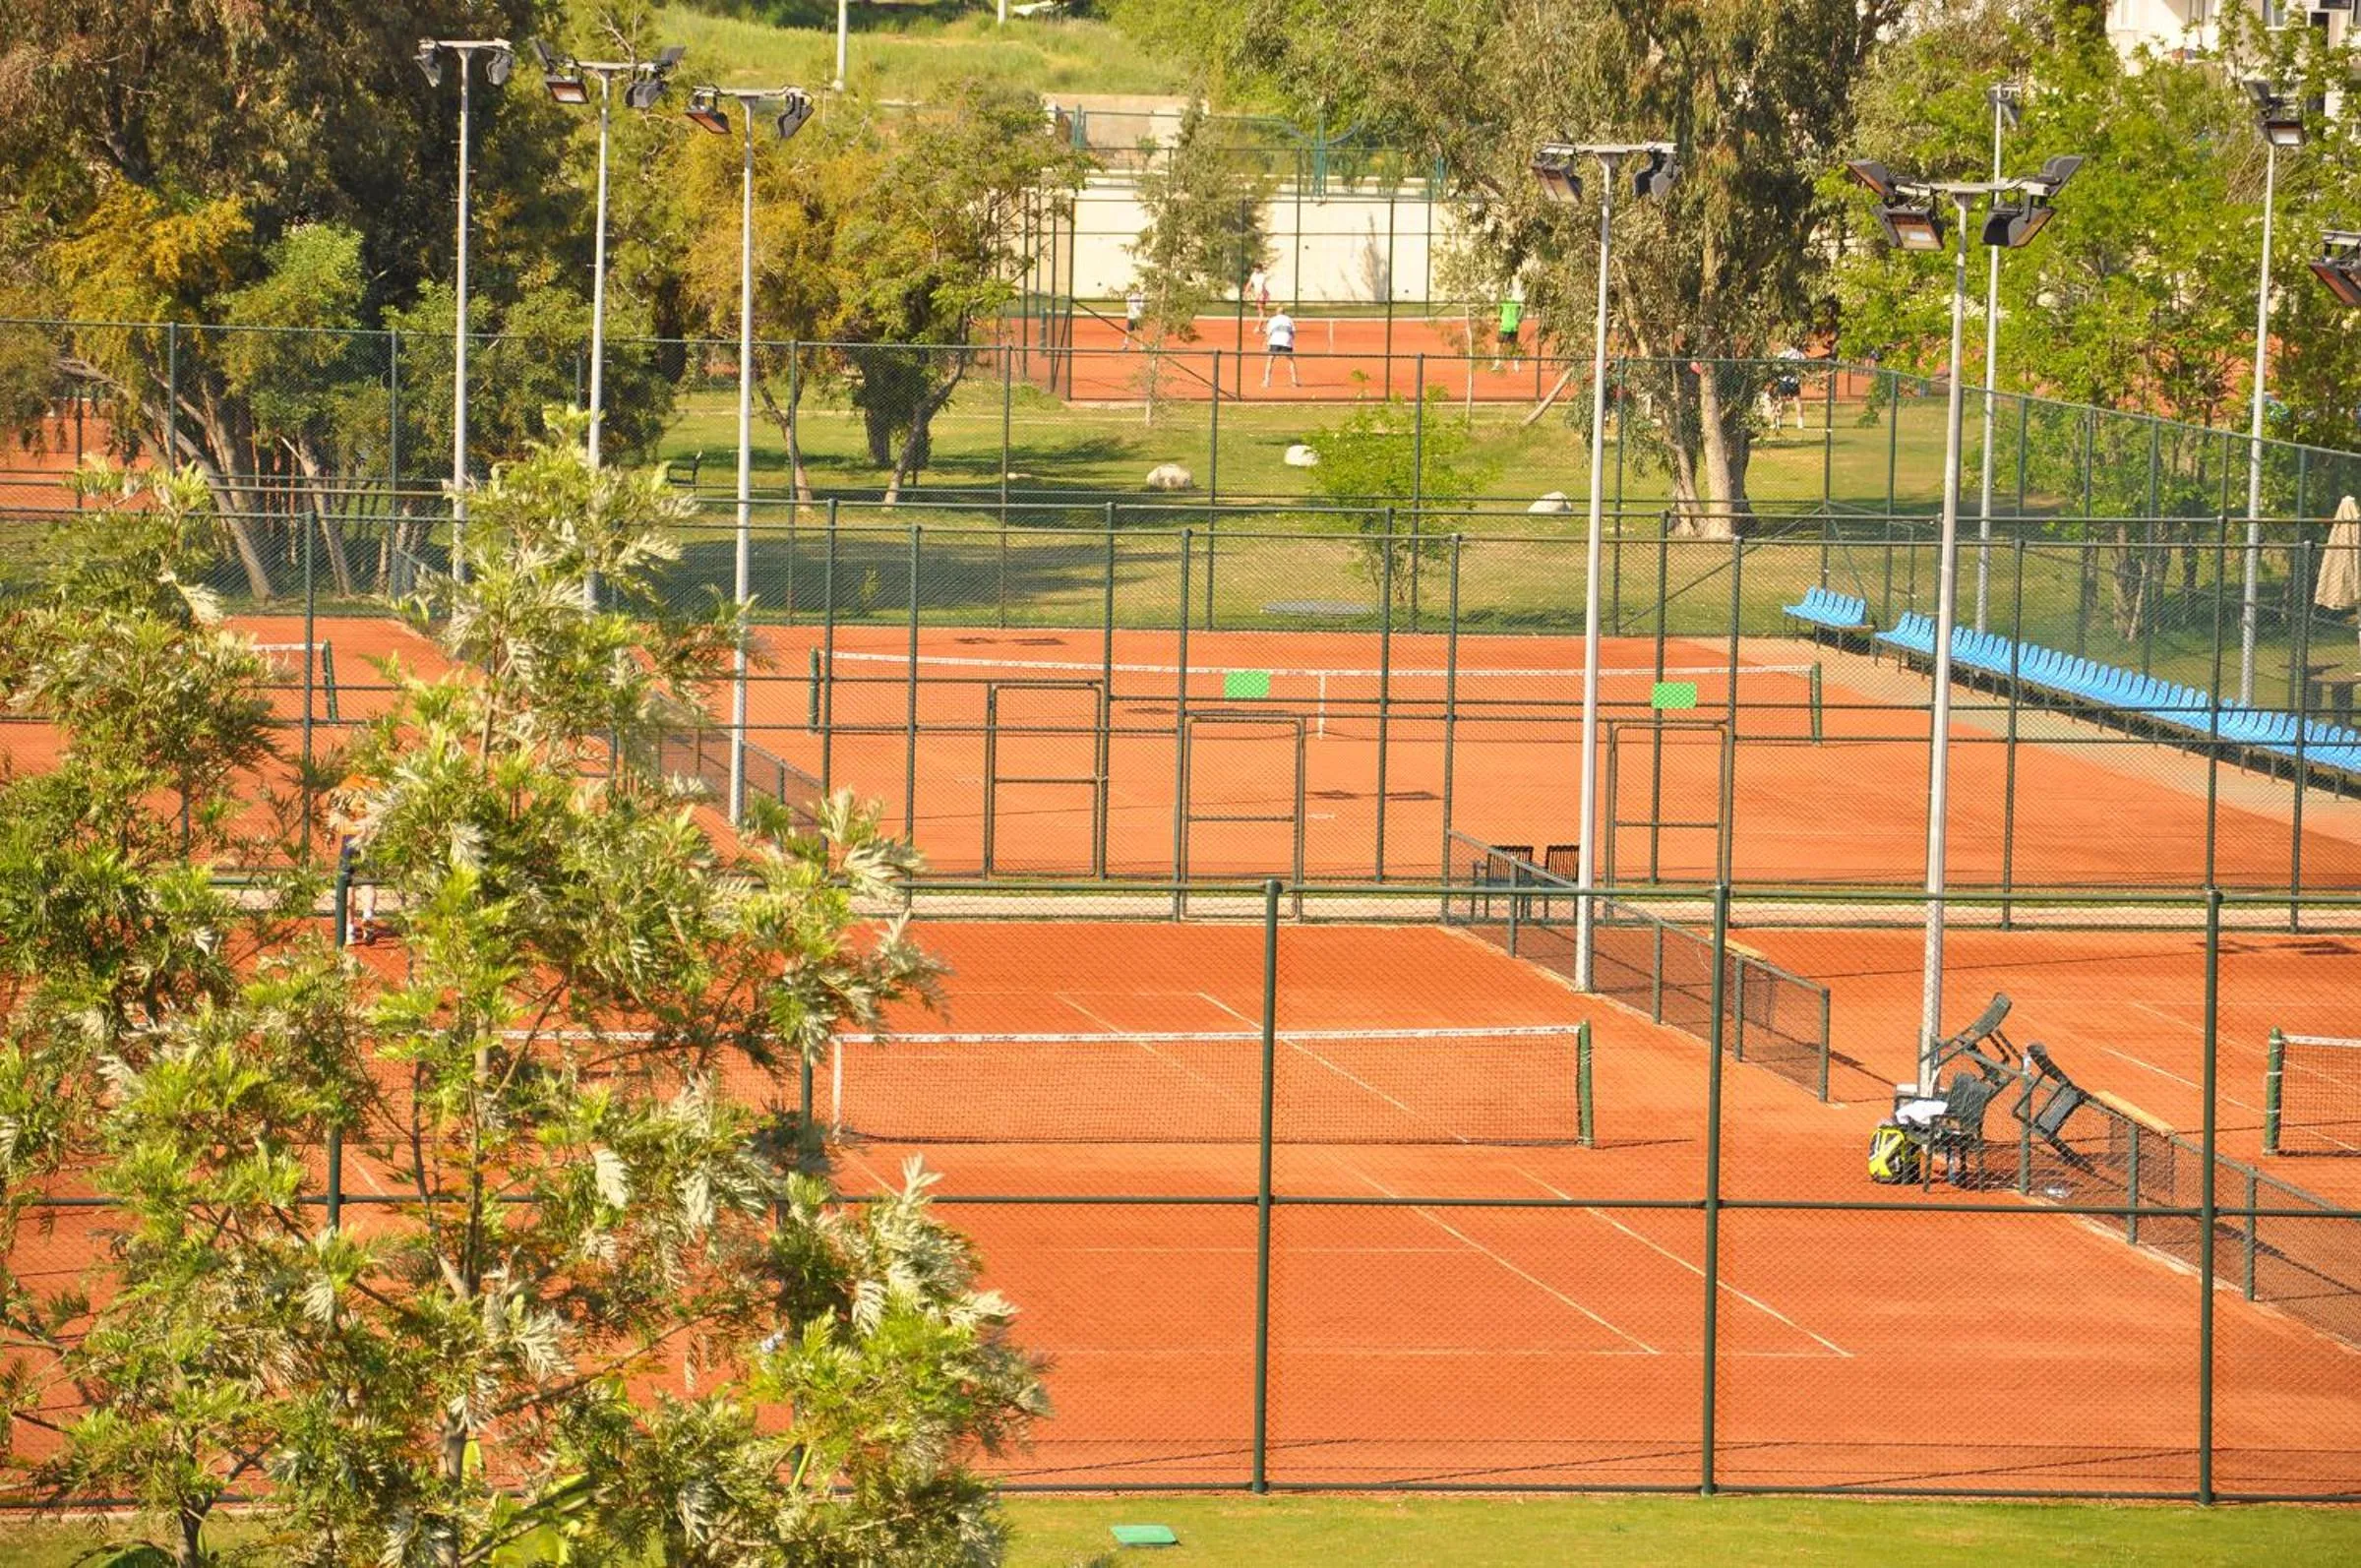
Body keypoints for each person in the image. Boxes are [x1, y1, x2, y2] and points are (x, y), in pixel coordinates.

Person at [1261, 306, 1300, 388]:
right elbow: (1293, 334)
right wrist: (1290, 343)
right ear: (1284, 312)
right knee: (1290, 360)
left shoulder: (1272, 319)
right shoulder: (1289, 319)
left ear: (1276, 312)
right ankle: (1295, 382)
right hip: (1286, 341)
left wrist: (1267, 344)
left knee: (1270, 360)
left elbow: (1268, 334)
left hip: (1275, 341)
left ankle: (1266, 382)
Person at [1492, 288, 1525, 372]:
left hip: (1504, 328)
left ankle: (1497, 363)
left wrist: (1494, 320)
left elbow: (1498, 316)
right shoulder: (1516, 303)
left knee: (1497, 347)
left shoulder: (1502, 303)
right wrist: (1519, 320)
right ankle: (1516, 366)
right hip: (1514, 327)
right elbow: (1523, 308)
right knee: (1513, 347)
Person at [1121, 285, 1144, 351]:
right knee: (1130, 332)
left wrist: (1141, 297)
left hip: (1137, 316)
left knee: (1139, 332)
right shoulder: (1132, 297)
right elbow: (1128, 306)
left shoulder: (1138, 297)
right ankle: (1126, 345)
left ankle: (1141, 346)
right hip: (1132, 317)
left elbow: (1141, 306)